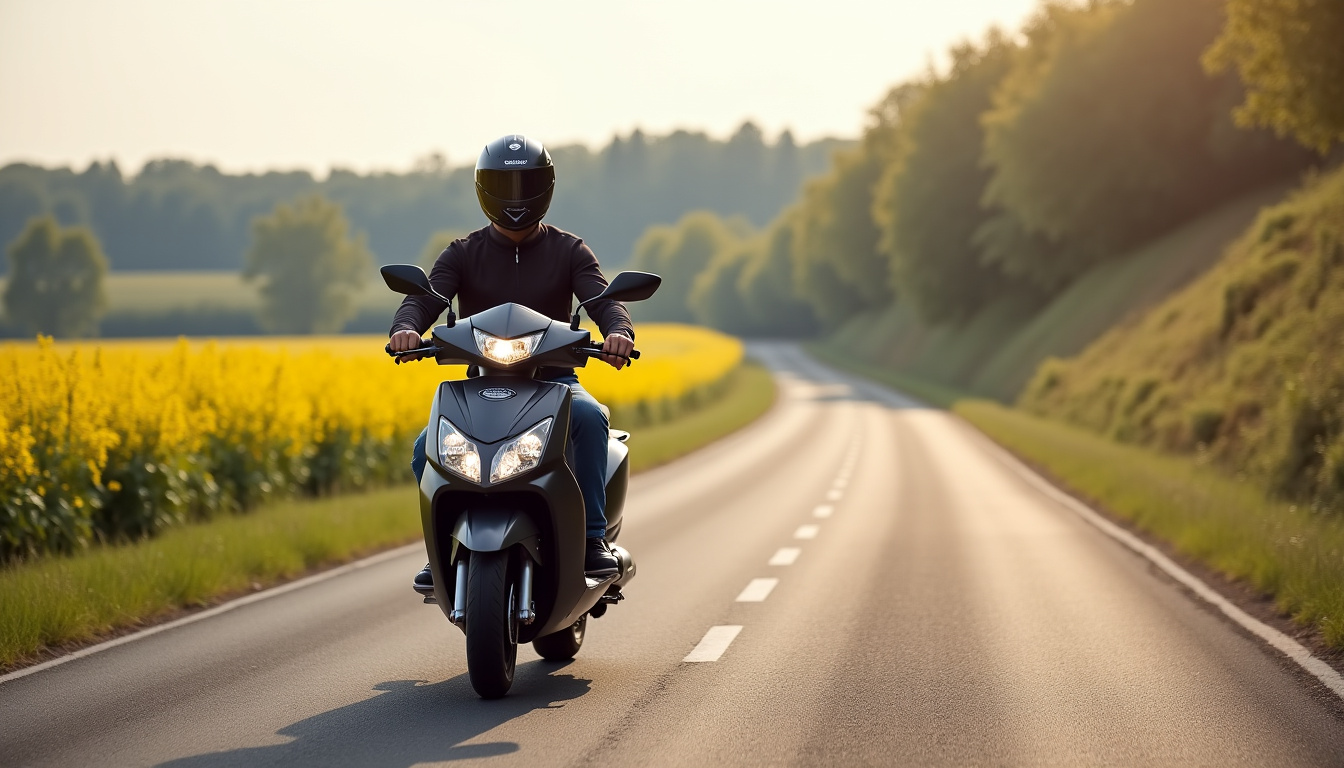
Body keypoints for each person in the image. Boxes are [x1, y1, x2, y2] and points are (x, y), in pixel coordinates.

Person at [388, 134, 635, 580]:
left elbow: (602, 300)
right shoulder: (462, 253)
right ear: (485, 190)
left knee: (590, 418)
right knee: (425, 447)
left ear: (546, 187)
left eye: (526, 184)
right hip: (481, 385)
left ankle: (594, 538)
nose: (515, 197)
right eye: (505, 185)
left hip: (555, 382)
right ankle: (442, 543)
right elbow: (424, 299)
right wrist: (405, 328)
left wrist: (618, 331)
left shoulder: (569, 250)